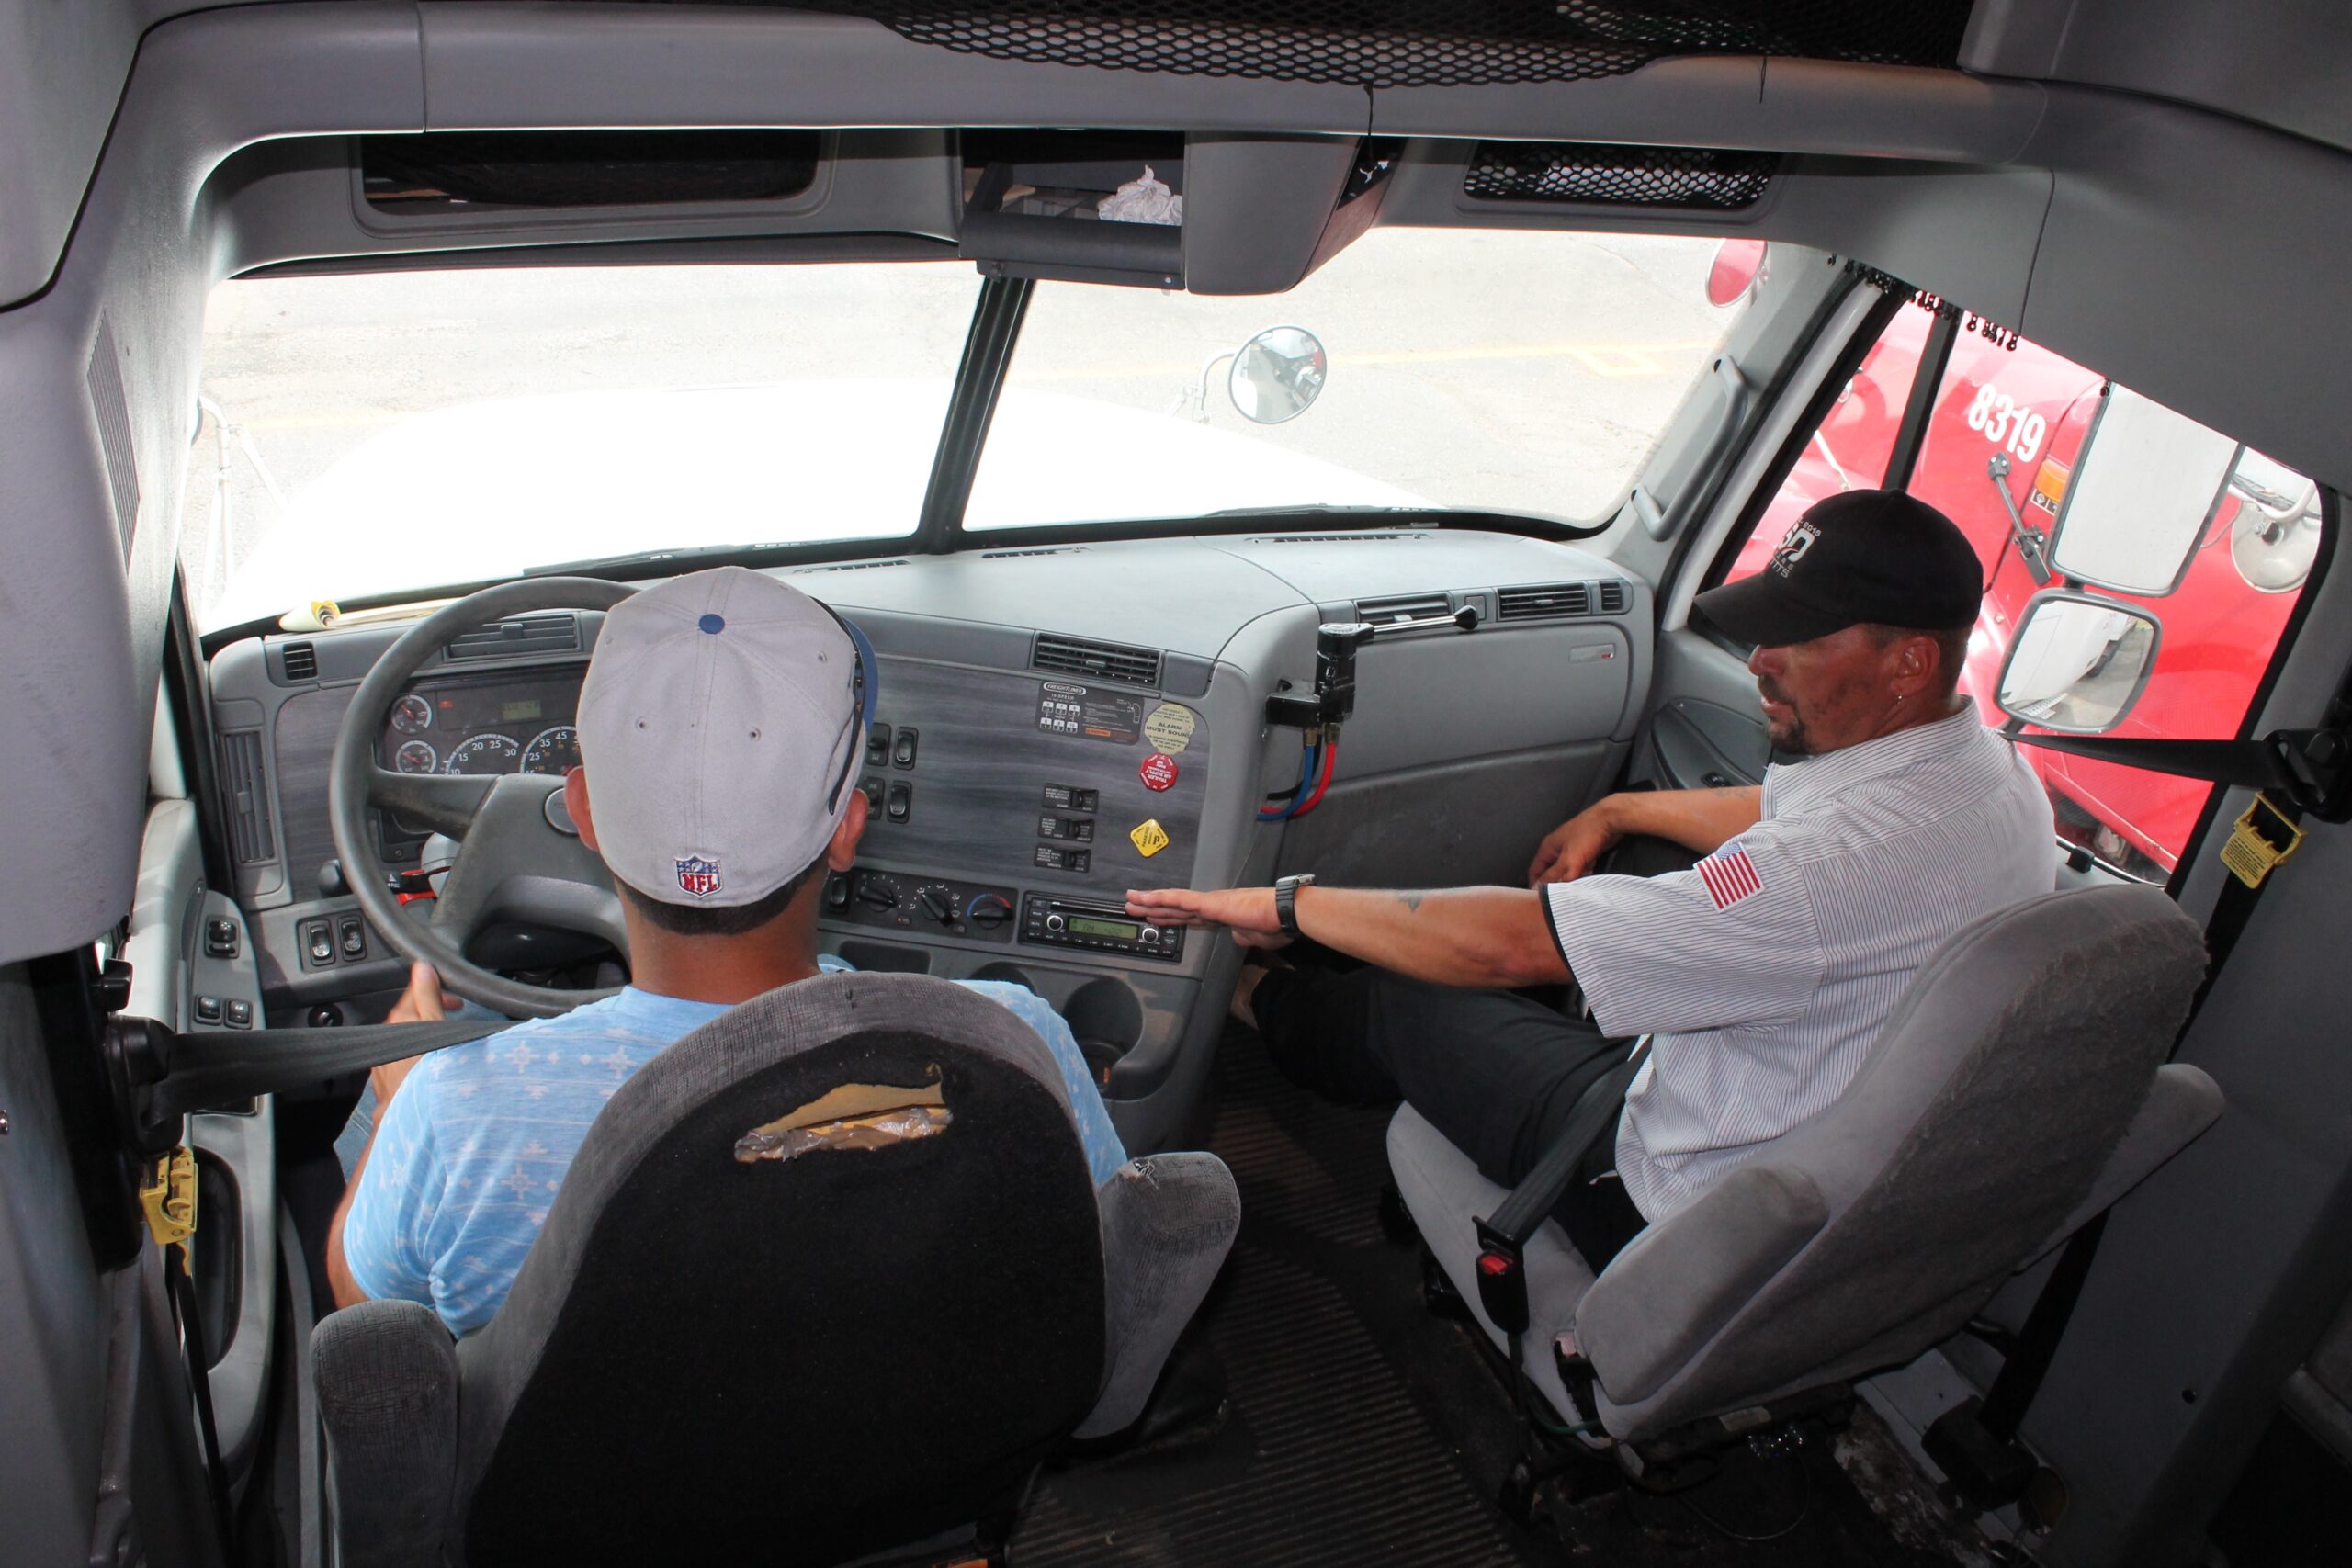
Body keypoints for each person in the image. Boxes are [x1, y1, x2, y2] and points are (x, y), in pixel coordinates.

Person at [1126, 490, 2054, 1269]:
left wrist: (1283, 905)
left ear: (1908, 662)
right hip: (1820, 1122)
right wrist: (1617, 812)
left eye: (1800, 640)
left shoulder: (1821, 879)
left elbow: (1507, 943)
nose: (1761, 661)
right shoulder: (1988, 776)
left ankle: (1249, 995)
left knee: (1412, 993)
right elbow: (1797, 817)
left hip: (1668, 1197)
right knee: (1614, 887)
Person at [330, 567, 1126, 1336]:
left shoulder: (456, 1112)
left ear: (584, 813)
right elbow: (1100, 1255)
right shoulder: (1017, 1045)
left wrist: (397, 1105)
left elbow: (370, 1321)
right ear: (847, 828)